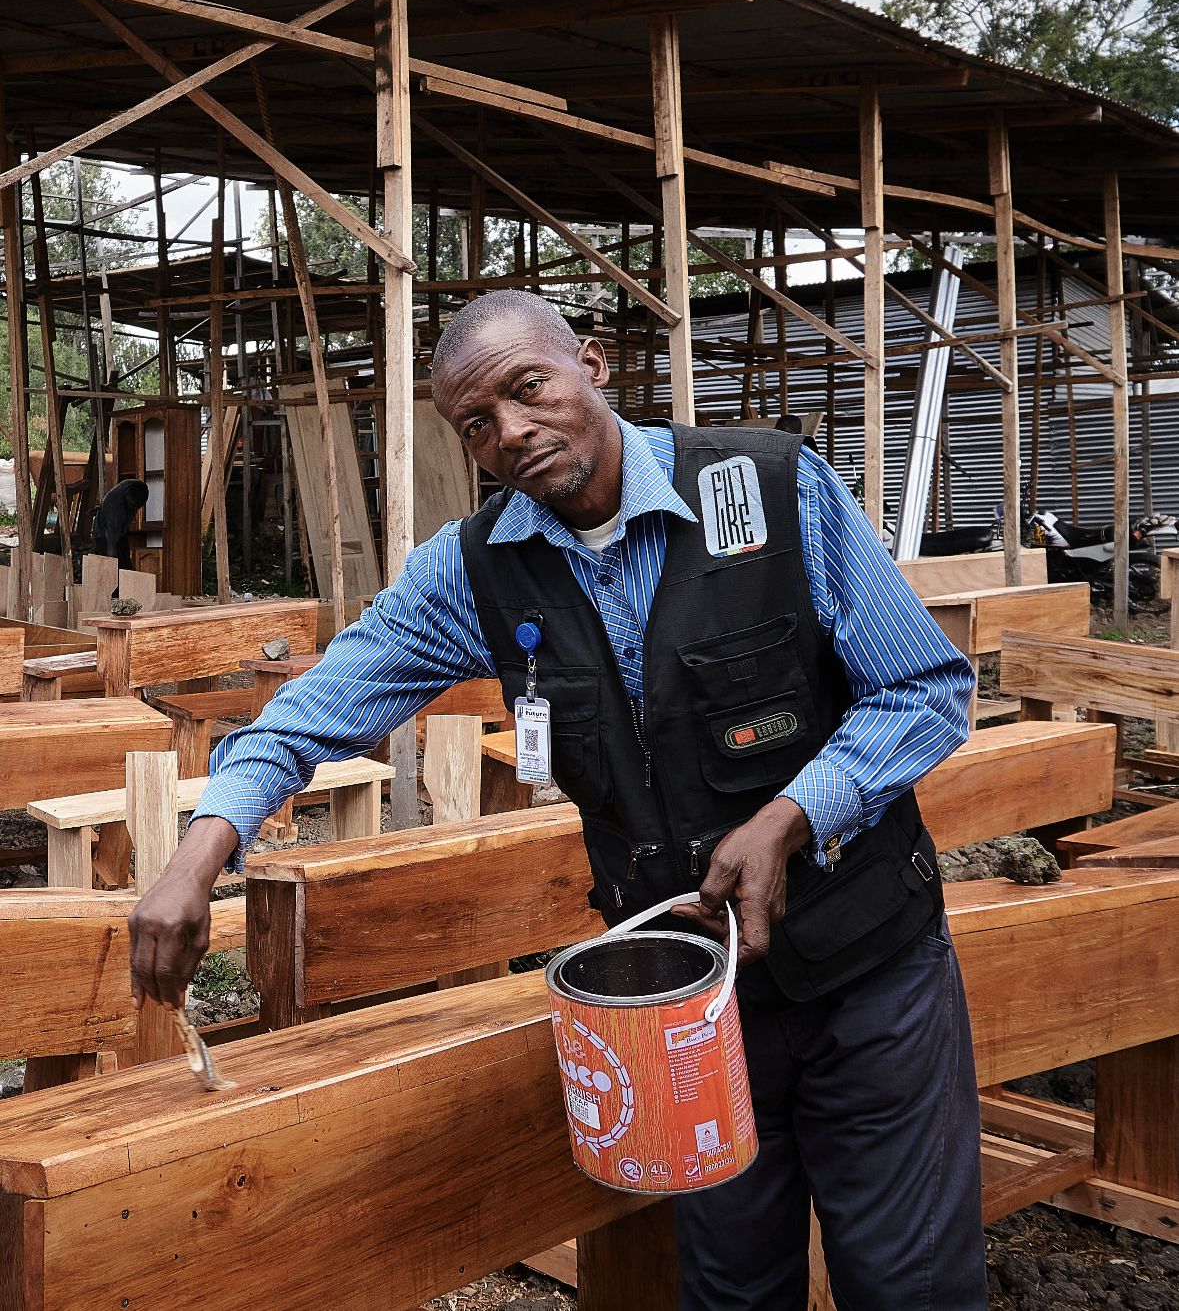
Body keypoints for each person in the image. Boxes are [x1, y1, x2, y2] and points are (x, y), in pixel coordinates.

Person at [129, 292, 986, 1310]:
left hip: (869, 971)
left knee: (909, 1284)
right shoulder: (475, 571)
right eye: (476, 424)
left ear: (592, 362)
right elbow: (307, 716)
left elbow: (923, 689)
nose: (512, 432)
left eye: (528, 387)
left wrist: (790, 815)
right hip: (686, 1001)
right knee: (730, 1285)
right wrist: (198, 853)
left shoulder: (766, 487)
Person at [91, 477, 149, 570]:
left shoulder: (140, 488)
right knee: (115, 567)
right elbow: (111, 540)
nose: (134, 509)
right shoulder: (116, 508)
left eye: (136, 507)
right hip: (103, 535)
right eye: (132, 506)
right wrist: (112, 564)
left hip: (120, 531)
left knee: (126, 564)